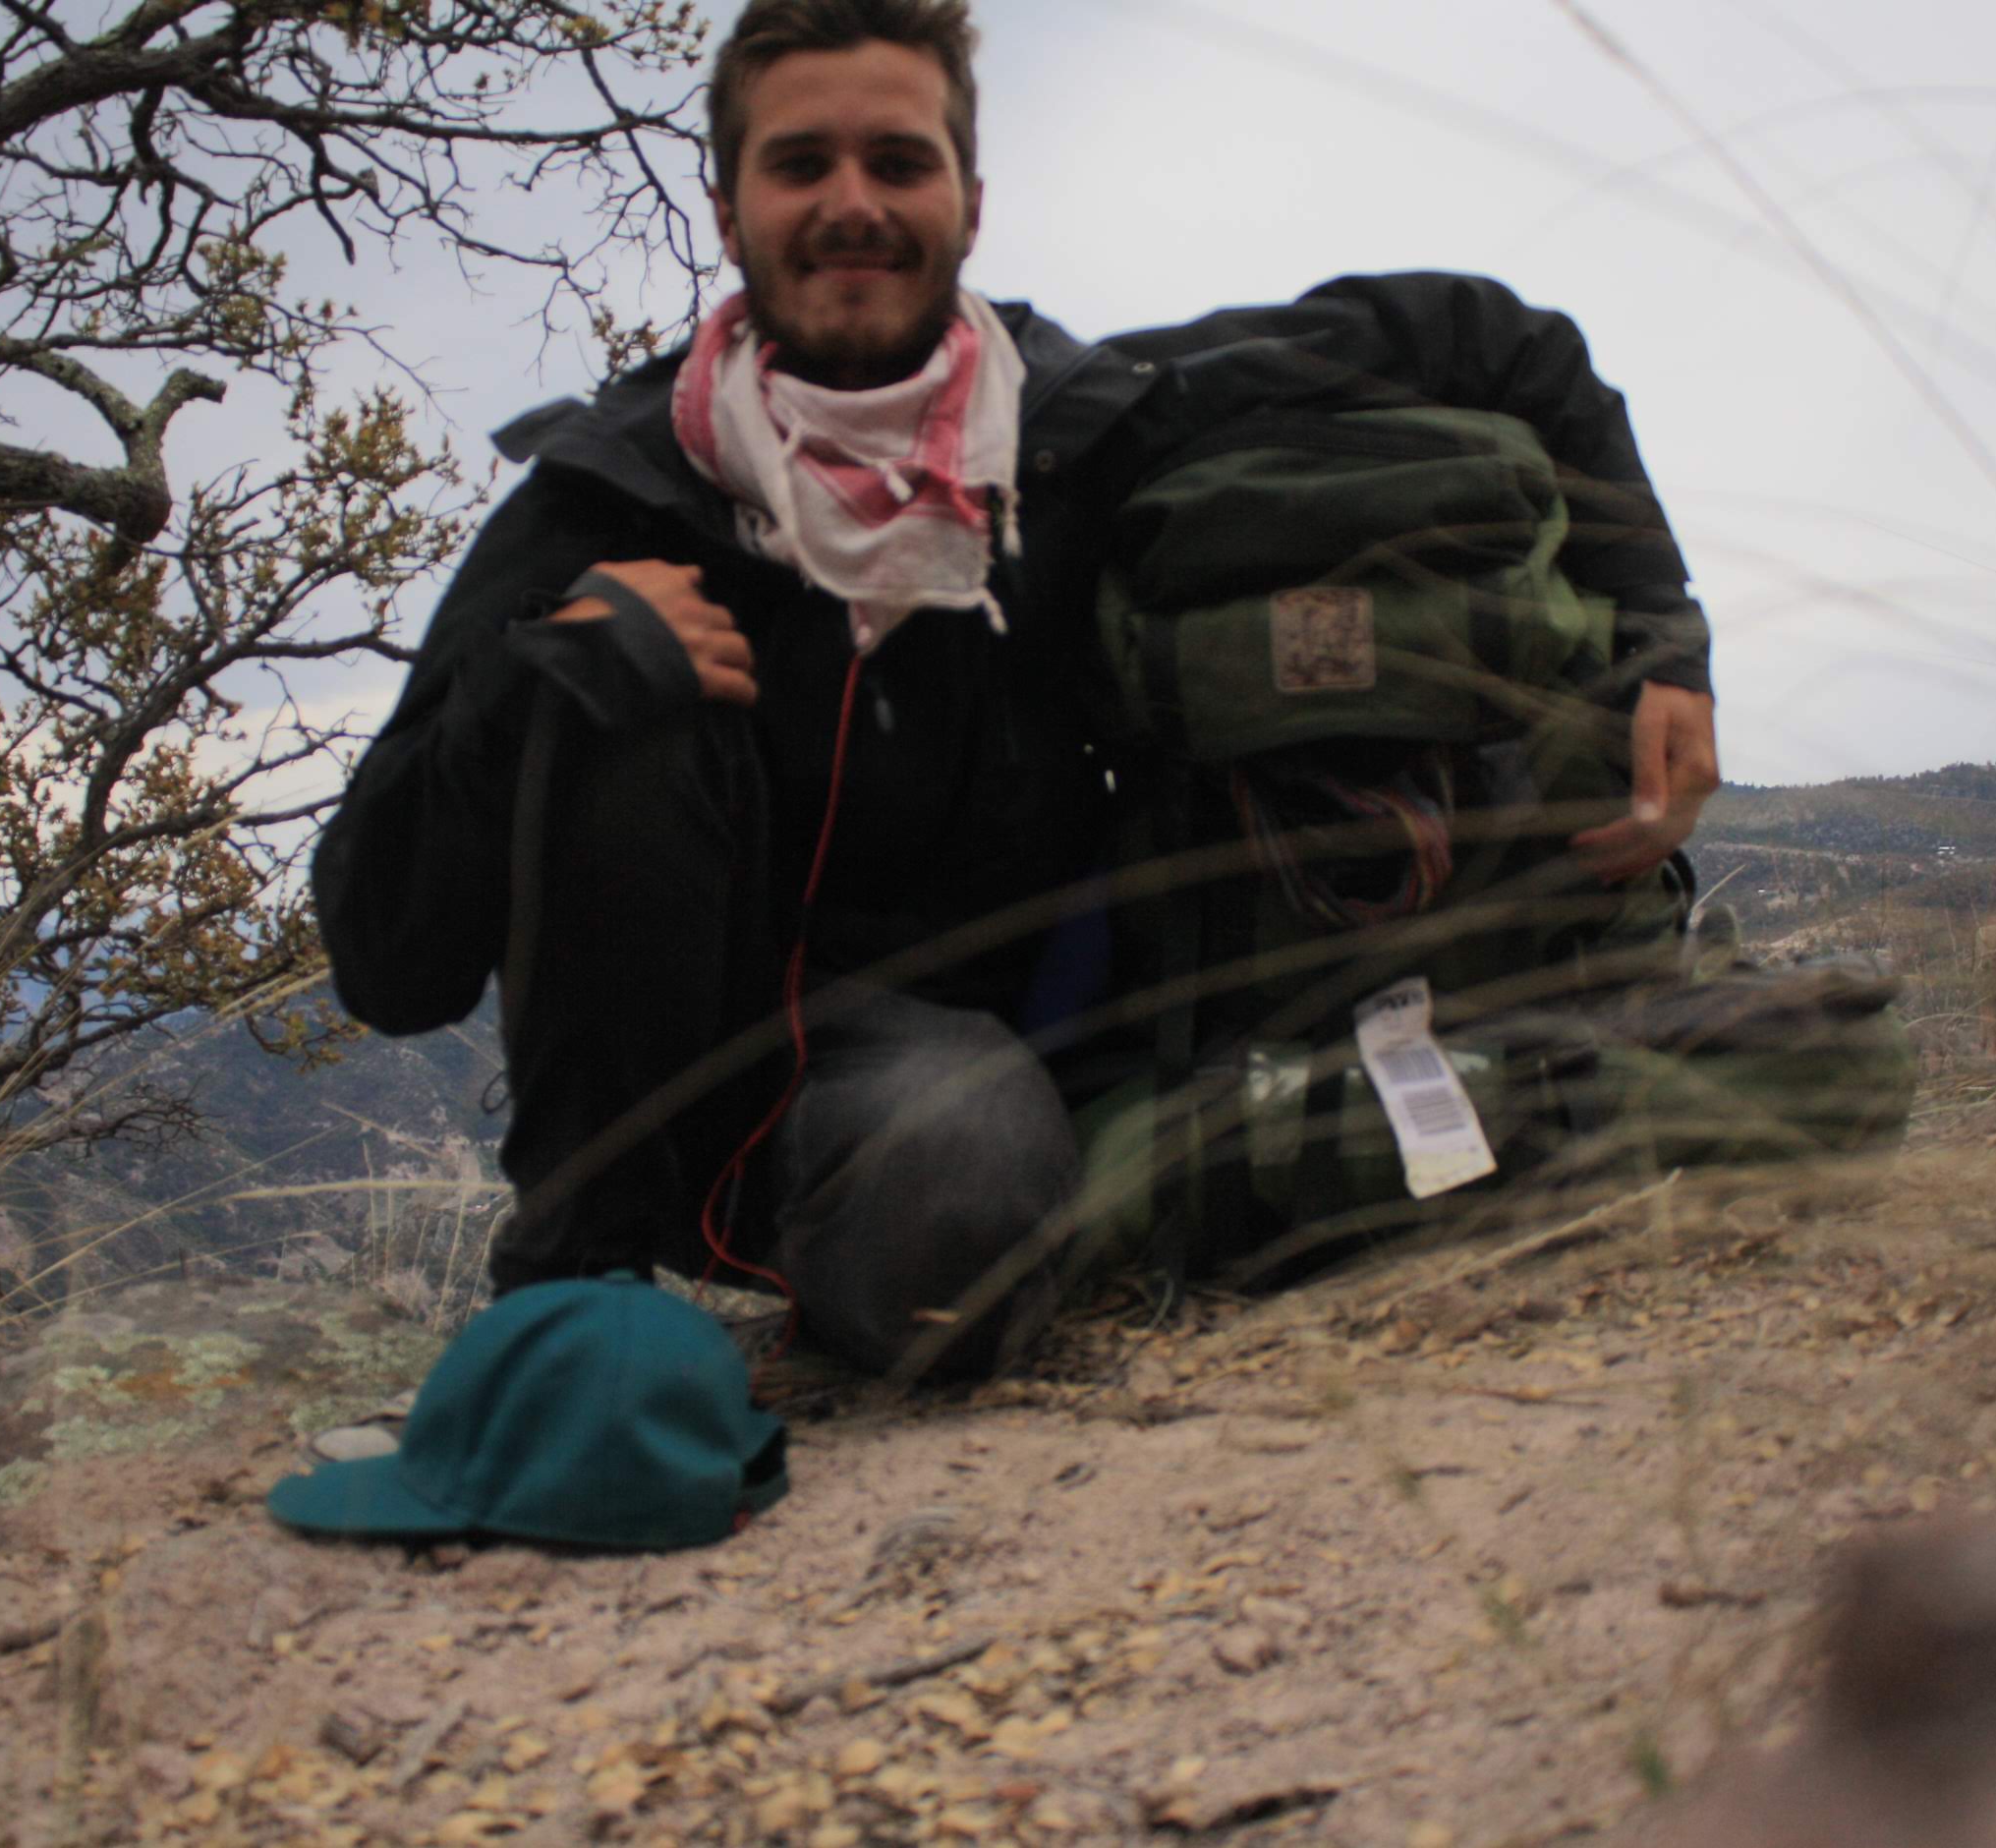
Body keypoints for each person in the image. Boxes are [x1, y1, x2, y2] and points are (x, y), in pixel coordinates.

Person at [312, 0, 1720, 1379]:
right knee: (614, 668)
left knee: (962, 1230)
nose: (852, 202)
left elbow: (1492, 341)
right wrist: (534, 685)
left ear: (969, 202)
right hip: (681, 1073)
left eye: (899, 161)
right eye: (801, 163)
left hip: (1001, 1057)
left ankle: (1011, 1204)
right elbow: (388, 957)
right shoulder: (610, 490)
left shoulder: (1073, 425)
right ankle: (578, 1298)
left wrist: (1662, 639)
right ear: (729, 206)